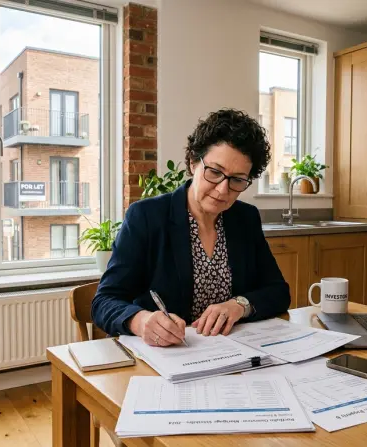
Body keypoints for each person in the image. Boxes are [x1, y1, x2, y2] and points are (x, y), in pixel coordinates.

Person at [92, 108, 290, 347]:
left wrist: (239, 305)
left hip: (231, 354)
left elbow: (278, 292)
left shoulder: (245, 218)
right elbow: (104, 301)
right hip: (167, 357)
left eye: (237, 180)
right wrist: (141, 321)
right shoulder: (146, 216)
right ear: (194, 162)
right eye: (215, 172)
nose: (222, 190)